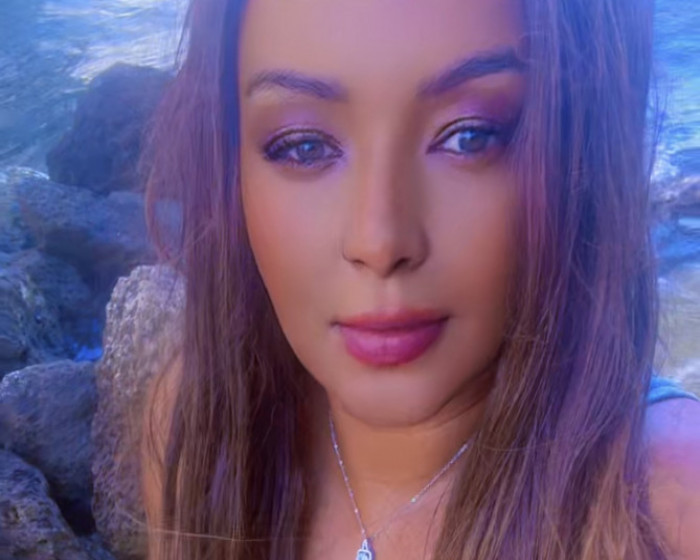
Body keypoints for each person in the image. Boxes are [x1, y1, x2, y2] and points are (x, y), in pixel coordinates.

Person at [139, 0, 700, 558]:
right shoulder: (199, 433)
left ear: (582, 149)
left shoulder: (671, 508)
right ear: (229, 164)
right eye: (304, 147)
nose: (379, 243)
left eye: (470, 137)